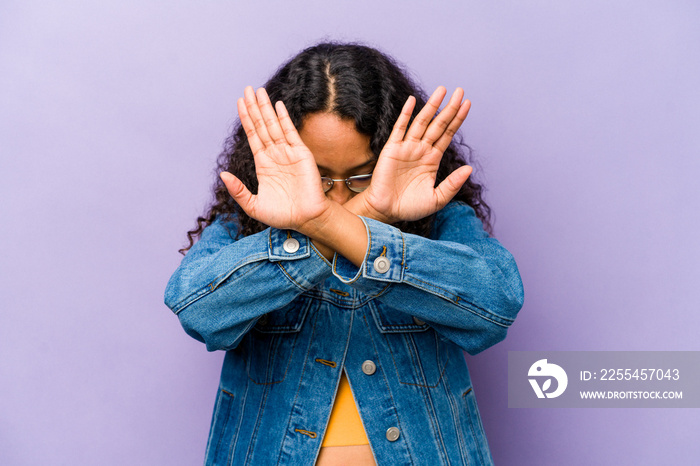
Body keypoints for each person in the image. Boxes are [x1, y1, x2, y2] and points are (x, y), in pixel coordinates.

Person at [165, 42, 523, 466]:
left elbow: (494, 305)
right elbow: (197, 310)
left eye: (360, 177)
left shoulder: (437, 221)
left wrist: (345, 224)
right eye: (318, 177)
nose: (335, 196)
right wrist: (348, 222)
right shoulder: (247, 227)